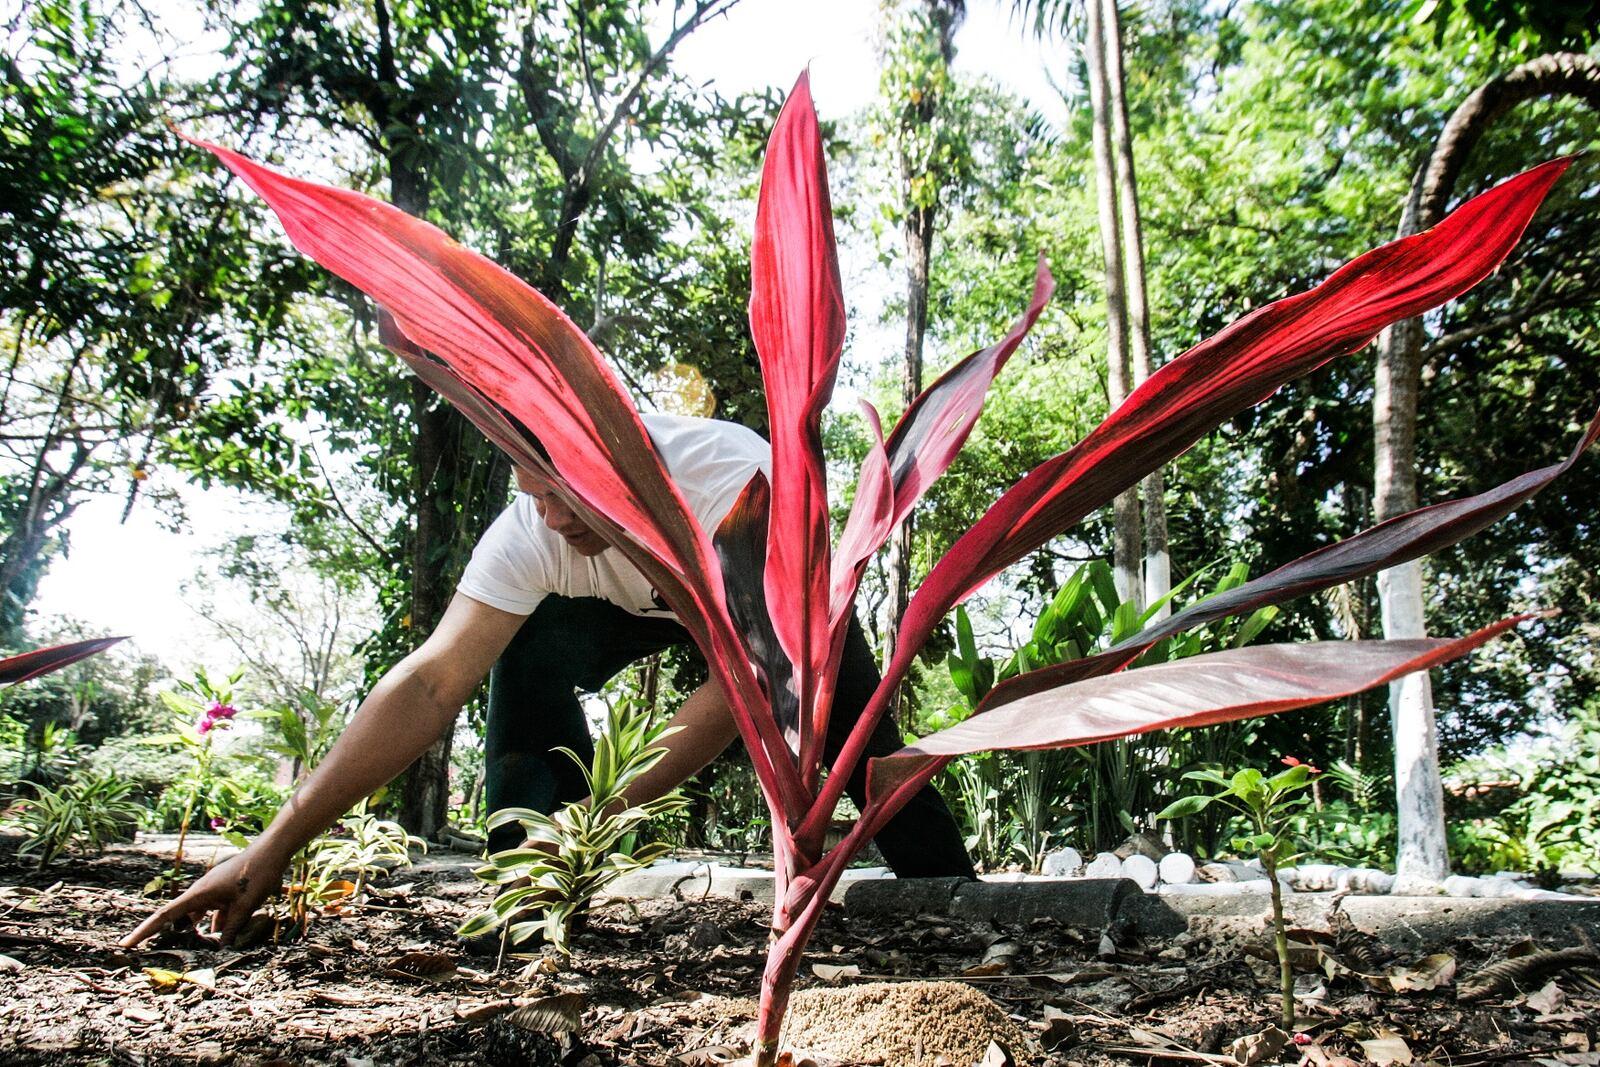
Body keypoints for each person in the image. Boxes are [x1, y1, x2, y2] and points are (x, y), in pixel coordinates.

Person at [122, 413, 974, 948]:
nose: (555, 518)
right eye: (536, 495)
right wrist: (272, 843)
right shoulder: (536, 526)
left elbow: (743, 690)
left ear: (627, 460)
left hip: (761, 611)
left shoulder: (727, 479)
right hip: (622, 602)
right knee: (520, 652)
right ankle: (527, 896)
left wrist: (594, 820)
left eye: (569, 494)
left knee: (858, 739)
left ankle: (958, 908)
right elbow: (430, 683)